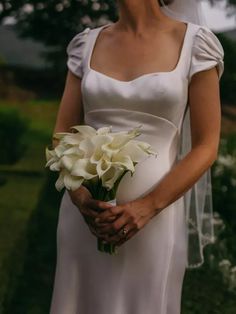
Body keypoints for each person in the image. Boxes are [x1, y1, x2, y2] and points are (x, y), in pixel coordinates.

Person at [49, 0, 224, 313]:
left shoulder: (195, 45)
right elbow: (62, 134)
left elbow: (206, 146)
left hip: (153, 219)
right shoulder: (84, 45)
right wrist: (79, 197)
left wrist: (146, 207)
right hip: (83, 219)